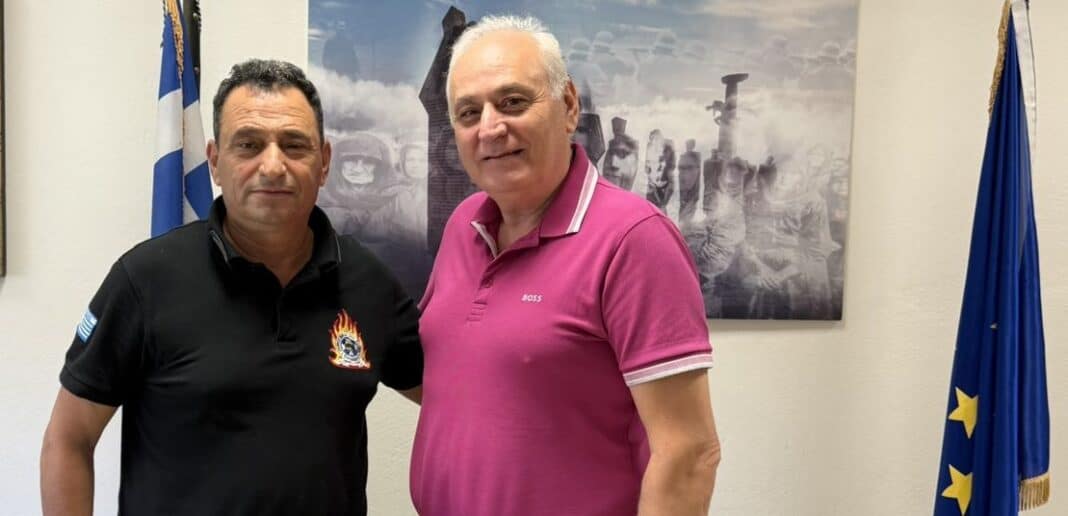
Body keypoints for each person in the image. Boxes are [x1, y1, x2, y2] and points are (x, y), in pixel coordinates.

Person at [40, 59, 423, 516]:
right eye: (249, 145)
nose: (273, 166)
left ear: (323, 163)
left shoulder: (369, 282)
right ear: (215, 162)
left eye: (294, 145)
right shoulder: (145, 279)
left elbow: (457, 397)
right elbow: (69, 438)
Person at [412, 15, 720, 516]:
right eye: (469, 112)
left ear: (569, 105)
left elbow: (688, 454)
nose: (490, 128)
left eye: (513, 102)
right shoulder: (463, 224)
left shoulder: (634, 240)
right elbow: (471, 381)